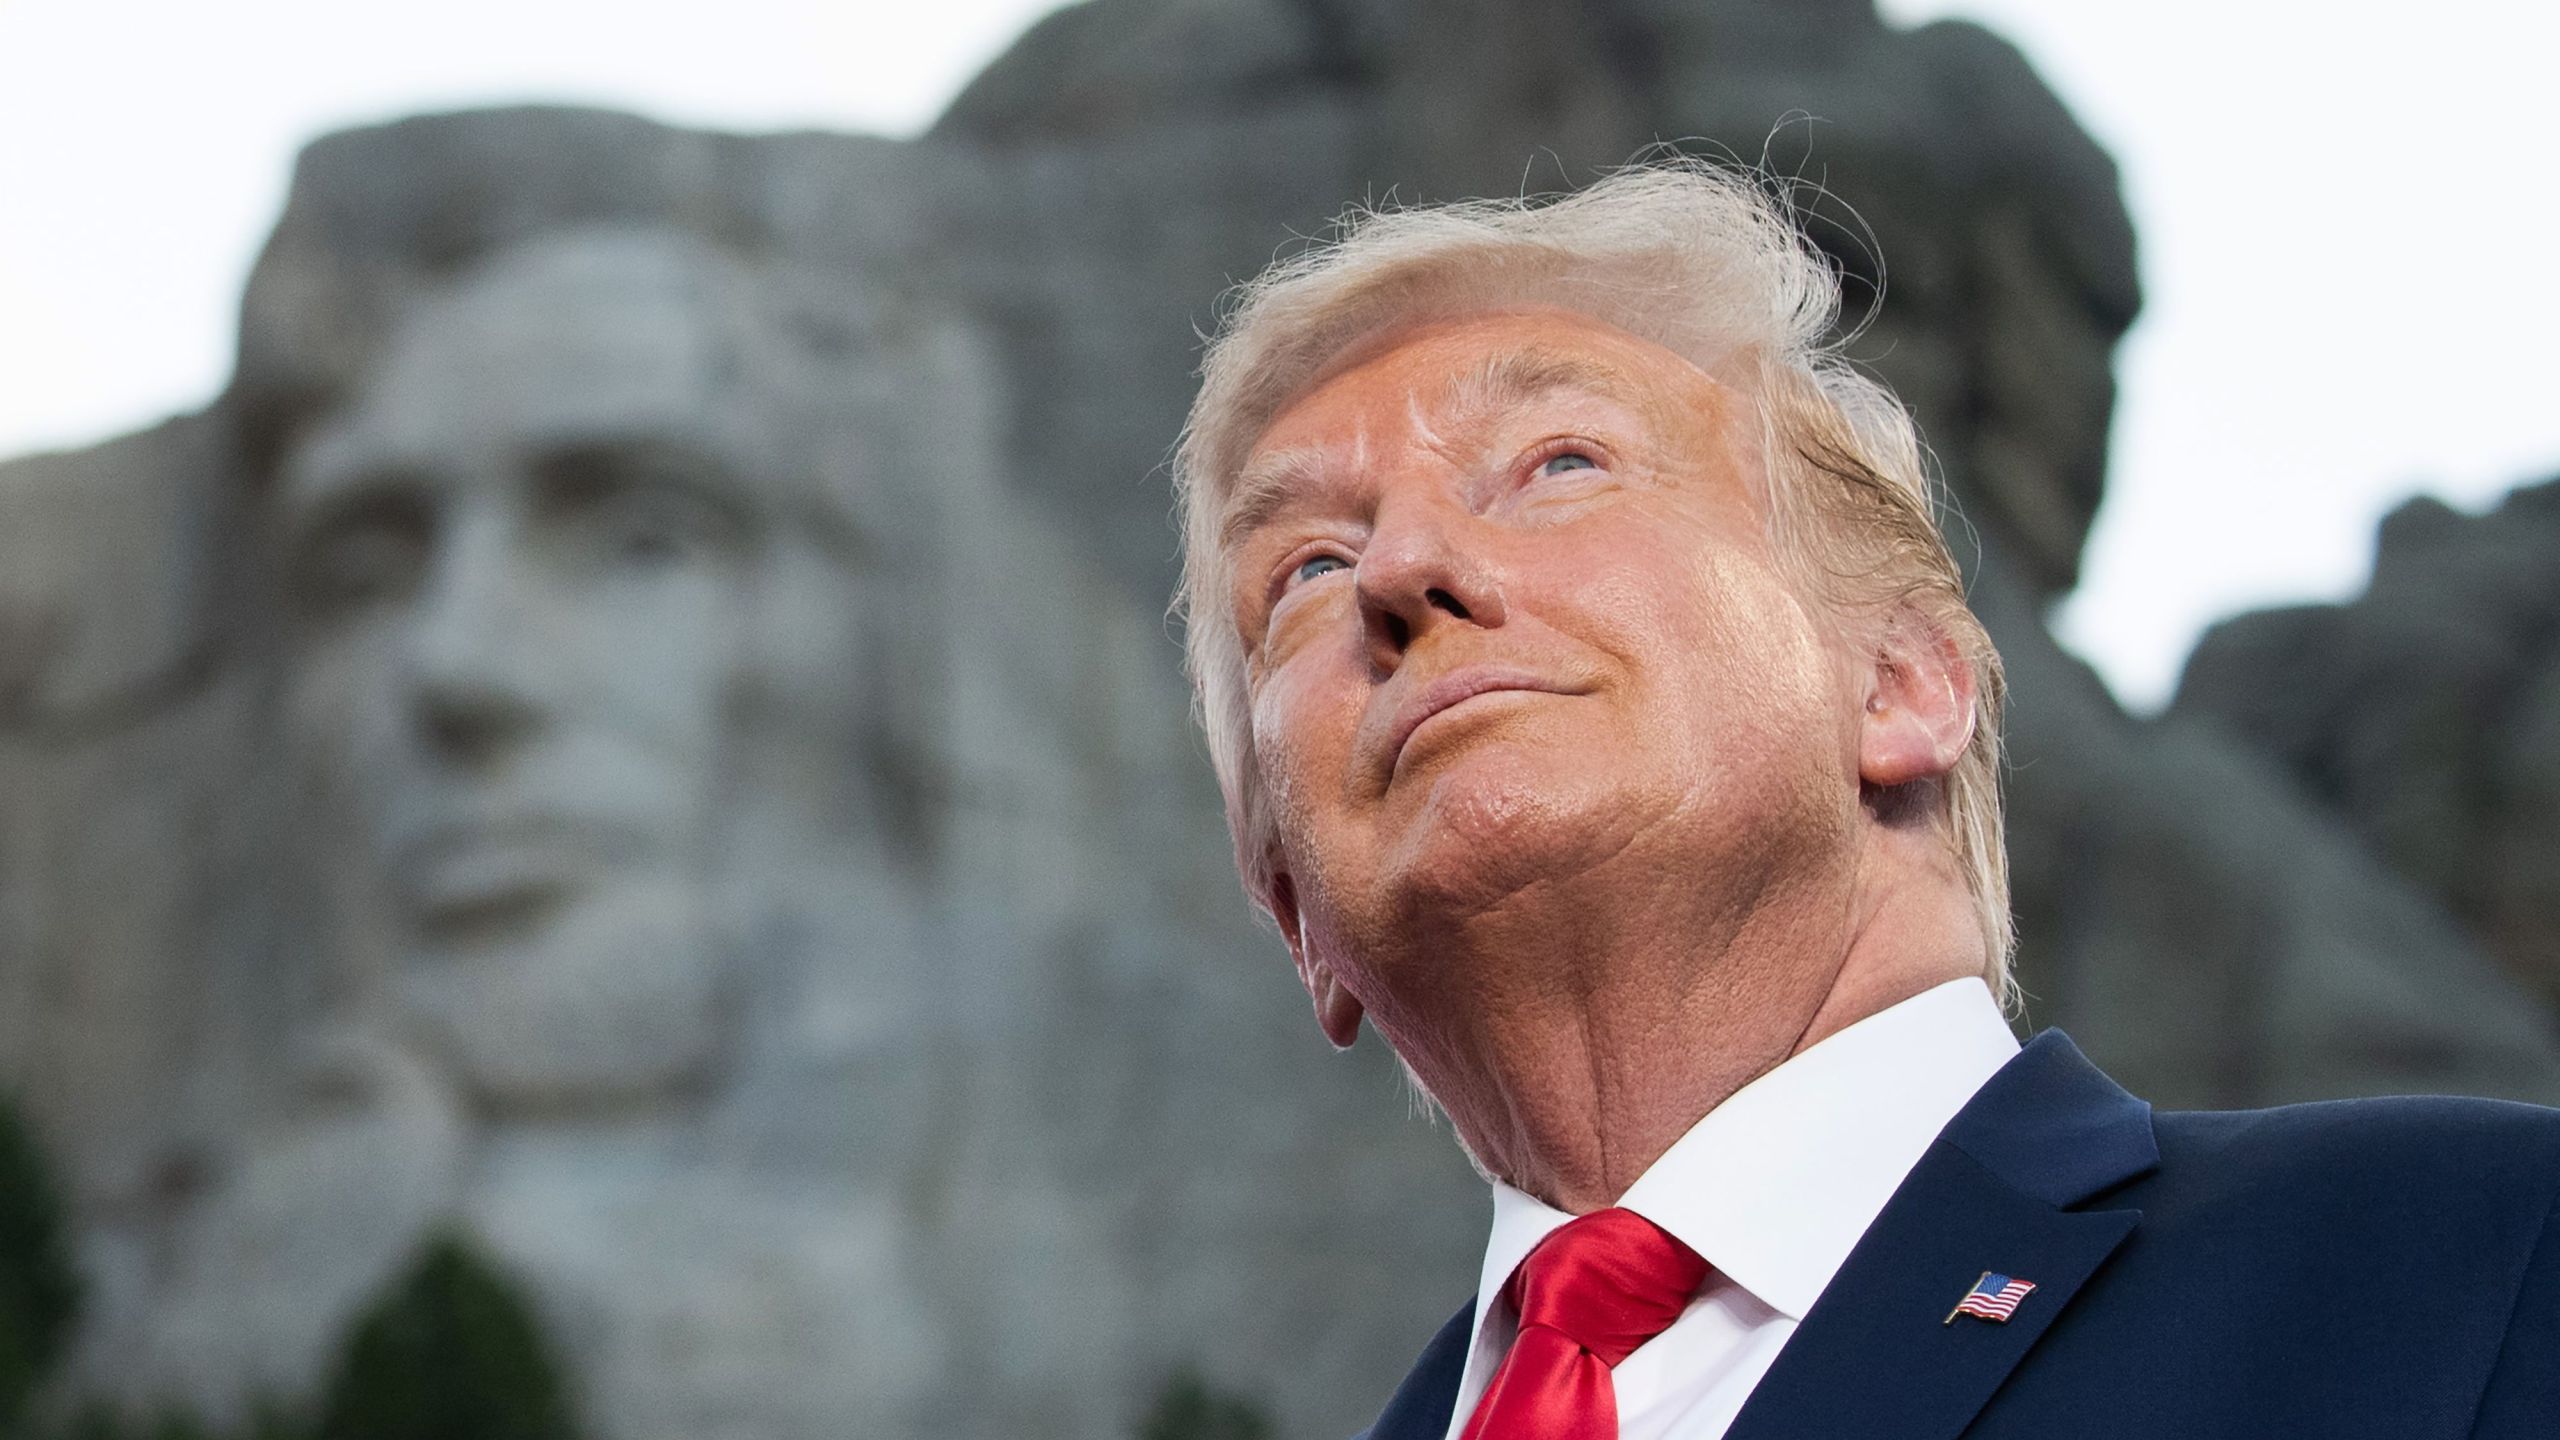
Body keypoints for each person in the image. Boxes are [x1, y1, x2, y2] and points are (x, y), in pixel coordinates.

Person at [1172, 163, 2560, 1439]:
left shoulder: (2475, 1268)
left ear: (1902, 683)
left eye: (1560, 463)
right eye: (1301, 568)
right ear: (1293, 910)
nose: (1401, 566)